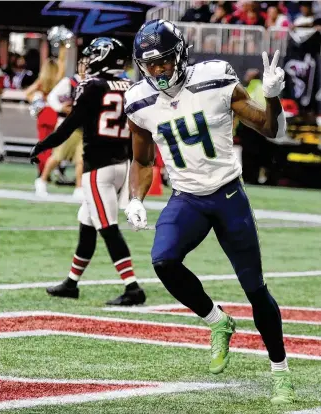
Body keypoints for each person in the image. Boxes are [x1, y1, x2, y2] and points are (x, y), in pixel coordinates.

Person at [124, 19, 294, 404]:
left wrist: (271, 95)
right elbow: (141, 159)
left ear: (180, 55)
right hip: (186, 198)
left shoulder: (215, 77)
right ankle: (218, 322)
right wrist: (135, 198)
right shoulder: (137, 100)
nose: (158, 71)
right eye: (149, 65)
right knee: (163, 260)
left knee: (255, 289)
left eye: (164, 62)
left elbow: (269, 128)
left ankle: (281, 371)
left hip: (228, 195)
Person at [29, 37, 146, 306]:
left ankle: (133, 287)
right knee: (87, 223)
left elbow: (70, 125)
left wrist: (42, 145)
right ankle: (71, 282)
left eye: (93, 55)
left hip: (98, 167)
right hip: (121, 164)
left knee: (108, 228)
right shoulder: (132, 86)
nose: (89, 60)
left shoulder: (94, 86)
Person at [34, 66, 84, 200]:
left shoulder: (94, 82)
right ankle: (42, 180)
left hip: (83, 127)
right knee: (58, 156)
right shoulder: (70, 82)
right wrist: (61, 107)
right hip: (66, 125)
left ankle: (79, 188)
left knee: (81, 159)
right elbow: (52, 97)